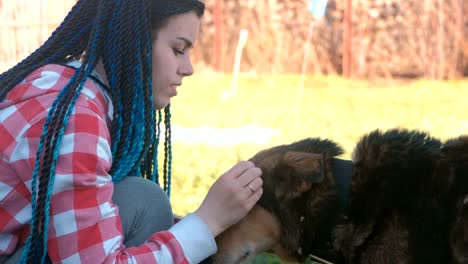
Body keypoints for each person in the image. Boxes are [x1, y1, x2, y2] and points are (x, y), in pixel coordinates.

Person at [0, 0, 263, 263]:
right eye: (178, 49)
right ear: (134, 46)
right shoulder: (75, 120)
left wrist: (198, 226)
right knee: (147, 204)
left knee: (143, 201)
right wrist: (208, 222)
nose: (189, 68)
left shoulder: (63, 84)